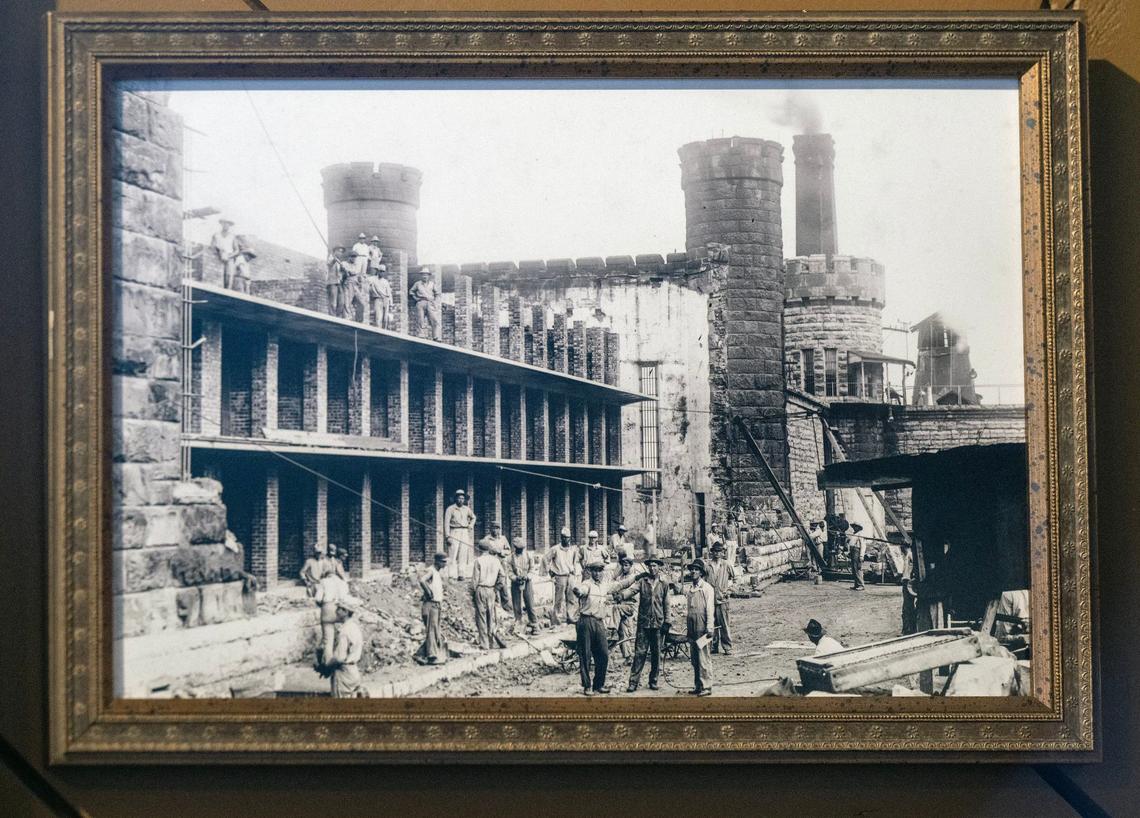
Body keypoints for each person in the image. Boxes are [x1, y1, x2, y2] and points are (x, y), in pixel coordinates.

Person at [570, 558, 645, 695]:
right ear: (591, 572)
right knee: (585, 655)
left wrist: (637, 576)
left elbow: (621, 584)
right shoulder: (587, 584)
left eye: (600, 571)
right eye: (595, 571)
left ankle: (599, 685)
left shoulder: (605, 585)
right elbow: (581, 590)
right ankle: (587, 686)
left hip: (599, 622)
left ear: (602, 572)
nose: (597, 573)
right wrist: (578, 591)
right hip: (585, 622)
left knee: (604, 654)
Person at [625, 555, 672, 692]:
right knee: (640, 653)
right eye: (650, 565)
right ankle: (633, 682)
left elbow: (667, 604)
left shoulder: (664, 583)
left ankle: (654, 680)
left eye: (655, 565)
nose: (652, 568)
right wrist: (621, 596)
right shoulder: (642, 582)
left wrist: (667, 621)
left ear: (659, 567)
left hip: (658, 624)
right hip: (643, 624)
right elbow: (631, 591)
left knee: (656, 654)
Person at [684, 558, 716, 696]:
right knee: (695, 658)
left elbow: (710, 609)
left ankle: (707, 686)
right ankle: (698, 685)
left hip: (702, 625)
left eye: (696, 570)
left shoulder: (707, 588)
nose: (693, 572)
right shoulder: (690, 589)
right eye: (692, 569)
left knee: (703, 656)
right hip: (691, 626)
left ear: (701, 573)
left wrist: (710, 627)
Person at [471, 539, 507, 650]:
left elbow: (475, 580)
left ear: (479, 549)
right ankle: (492, 643)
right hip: (491, 590)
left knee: (481, 617)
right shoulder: (496, 561)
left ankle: (484, 644)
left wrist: (473, 592)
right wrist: (497, 588)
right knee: (491, 616)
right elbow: (502, 576)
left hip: (481, 589)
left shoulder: (478, 561)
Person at [313, 565, 350, 670]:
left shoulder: (324, 582)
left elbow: (318, 598)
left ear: (326, 575)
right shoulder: (342, 582)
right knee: (345, 634)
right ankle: (343, 659)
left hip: (327, 608)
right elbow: (346, 597)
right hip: (341, 609)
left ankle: (327, 663)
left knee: (327, 639)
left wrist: (322, 605)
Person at [328, 597, 366, 698]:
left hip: (343, 673)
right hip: (354, 672)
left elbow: (340, 657)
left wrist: (328, 665)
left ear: (345, 611)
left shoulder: (344, 632)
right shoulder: (354, 627)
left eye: (339, 609)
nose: (336, 611)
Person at [414, 553, 448, 665]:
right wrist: (428, 592)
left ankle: (420, 654)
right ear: (437, 561)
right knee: (432, 631)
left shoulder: (437, 573)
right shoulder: (431, 571)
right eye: (443, 561)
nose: (445, 563)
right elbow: (422, 580)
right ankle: (431, 656)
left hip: (436, 605)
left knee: (435, 631)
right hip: (430, 605)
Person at [610, 548, 641, 660]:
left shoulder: (635, 578)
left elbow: (632, 592)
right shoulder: (619, 577)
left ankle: (611, 627)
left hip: (630, 607)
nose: (624, 567)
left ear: (631, 566)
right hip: (621, 606)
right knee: (623, 632)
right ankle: (628, 656)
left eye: (627, 565)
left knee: (616, 610)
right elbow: (615, 588)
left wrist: (621, 595)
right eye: (623, 565)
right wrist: (614, 595)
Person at [707, 540, 736, 655]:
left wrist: (729, 590)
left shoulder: (727, 565)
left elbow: (736, 579)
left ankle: (727, 646)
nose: (717, 553)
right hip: (710, 600)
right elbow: (703, 580)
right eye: (715, 551)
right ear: (712, 552)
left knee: (724, 624)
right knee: (711, 624)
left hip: (723, 599)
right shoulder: (707, 565)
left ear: (722, 553)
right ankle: (714, 646)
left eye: (719, 551)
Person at [547, 527, 580, 625]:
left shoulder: (573, 549)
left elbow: (575, 561)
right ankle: (556, 618)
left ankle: (570, 616)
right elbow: (545, 560)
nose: (566, 540)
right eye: (564, 537)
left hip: (570, 576)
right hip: (560, 576)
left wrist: (574, 571)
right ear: (561, 538)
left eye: (568, 538)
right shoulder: (555, 549)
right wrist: (550, 572)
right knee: (559, 598)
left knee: (571, 598)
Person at [507, 539, 540, 635]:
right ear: (515, 548)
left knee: (530, 603)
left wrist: (528, 576)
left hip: (527, 582)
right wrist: (515, 578)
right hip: (516, 582)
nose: (520, 551)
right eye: (518, 549)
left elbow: (532, 568)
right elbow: (509, 571)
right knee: (516, 604)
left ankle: (534, 624)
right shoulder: (510, 558)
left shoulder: (529, 556)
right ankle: (518, 623)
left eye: (522, 549)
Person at [210, 218, 252, 293]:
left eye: (227, 224)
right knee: (218, 273)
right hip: (219, 256)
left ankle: (227, 290)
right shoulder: (216, 235)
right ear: (221, 224)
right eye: (224, 223)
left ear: (229, 225)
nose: (226, 225)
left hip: (229, 256)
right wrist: (219, 251)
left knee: (229, 274)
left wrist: (229, 256)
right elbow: (212, 246)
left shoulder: (232, 236)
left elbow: (236, 250)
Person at [479, 520, 512, 611]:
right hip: (491, 563)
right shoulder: (487, 539)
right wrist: (493, 551)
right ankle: (496, 602)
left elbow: (509, 551)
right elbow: (483, 549)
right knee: (493, 581)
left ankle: (506, 603)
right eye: (494, 528)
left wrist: (503, 552)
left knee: (503, 581)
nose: (496, 530)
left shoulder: (503, 538)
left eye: (497, 528)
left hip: (502, 562)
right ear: (490, 529)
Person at [443, 489, 476, 580]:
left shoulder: (466, 509)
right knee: (453, 553)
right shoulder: (450, 509)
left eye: (462, 498)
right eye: (459, 498)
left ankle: (461, 574)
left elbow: (473, 517)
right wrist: (447, 536)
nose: (461, 500)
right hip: (454, 531)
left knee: (463, 553)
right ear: (455, 499)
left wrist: (470, 525)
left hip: (464, 532)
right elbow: (446, 523)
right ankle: (452, 574)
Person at [341, 236, 369, 322]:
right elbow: (342, 274)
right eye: (352, 257)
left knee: (361, 303)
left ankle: (359, 321)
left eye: (355, 257)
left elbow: (356, 274)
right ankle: (347, 320)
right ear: (349, 257)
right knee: (347, 303)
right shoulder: (344, 264)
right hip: (348, 284)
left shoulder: (356, 266)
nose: (353, 258)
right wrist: (345, 271)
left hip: (355, 285)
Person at [409, 266, 441, 341]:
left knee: (434, 320)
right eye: (423, 274)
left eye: (426, 275)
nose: (425, 276)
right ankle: (421, 335)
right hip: (421, 302)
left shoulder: (432, 284)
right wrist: (416, 298)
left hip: (430, 303)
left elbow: (437, 294)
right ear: (421, 276)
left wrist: (435, 302)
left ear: (429, 276)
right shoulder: (417, 284)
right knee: (420, 319)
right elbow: (411, 291)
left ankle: (435, 336)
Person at [366, 264, 393, 329]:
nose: (382, 273)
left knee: (385, 319)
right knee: (378, 318)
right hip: (378, 299)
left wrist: (391, 303)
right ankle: (378, 331)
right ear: (377, 271)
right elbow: (365, 281)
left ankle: (385, 332)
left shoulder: (385, 281)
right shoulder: (372, 279)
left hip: (385, 300)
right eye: (380, 271)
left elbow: (389, 293)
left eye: (383, 271)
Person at [900, 543, 918, 635]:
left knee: (907, 607)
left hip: (908, 581)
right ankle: (909, 628)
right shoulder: (907, 555)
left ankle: (908, 629)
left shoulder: (910, 555)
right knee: (908, 607)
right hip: (906, 579)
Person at [325, 245, 348, 316]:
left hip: (339, 283)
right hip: (332, 282)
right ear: (335, 251)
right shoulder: (331, 258)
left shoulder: (339, 262)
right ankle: (332, 316)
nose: (340, 253)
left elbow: (341, 275)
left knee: (341, 302)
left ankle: (338, 316)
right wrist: (334, 260)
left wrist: (343, 270)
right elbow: (329, 264)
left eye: (341, 252)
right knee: (333, 302)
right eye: (339, 251)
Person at [848, 522, 866, 590]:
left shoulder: (860, 534)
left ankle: (861, 584)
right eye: (854, 526)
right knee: (854, 569)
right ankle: (856, 584)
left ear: (858, 527)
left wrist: (861, 556)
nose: (854, 528)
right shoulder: (854, 534)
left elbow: (863, 545)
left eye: (856, 526)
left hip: (857, 551)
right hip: (853, 550)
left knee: (858, 568)